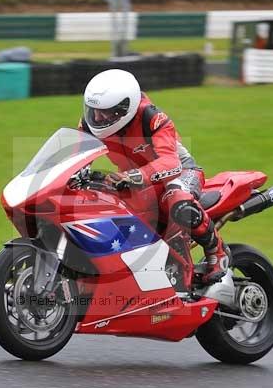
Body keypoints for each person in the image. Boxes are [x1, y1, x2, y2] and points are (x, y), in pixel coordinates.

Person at [79, 68, 230, 284]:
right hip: (134, 180)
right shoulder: (89, 123)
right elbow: (78, 155)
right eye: (93, 110)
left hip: (179, 173)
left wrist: (133, 176)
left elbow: (171, 162)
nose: (97, 117)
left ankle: (217, 252)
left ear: (125, 109)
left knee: (177, 201)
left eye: (105, 112)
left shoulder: (152, 118)